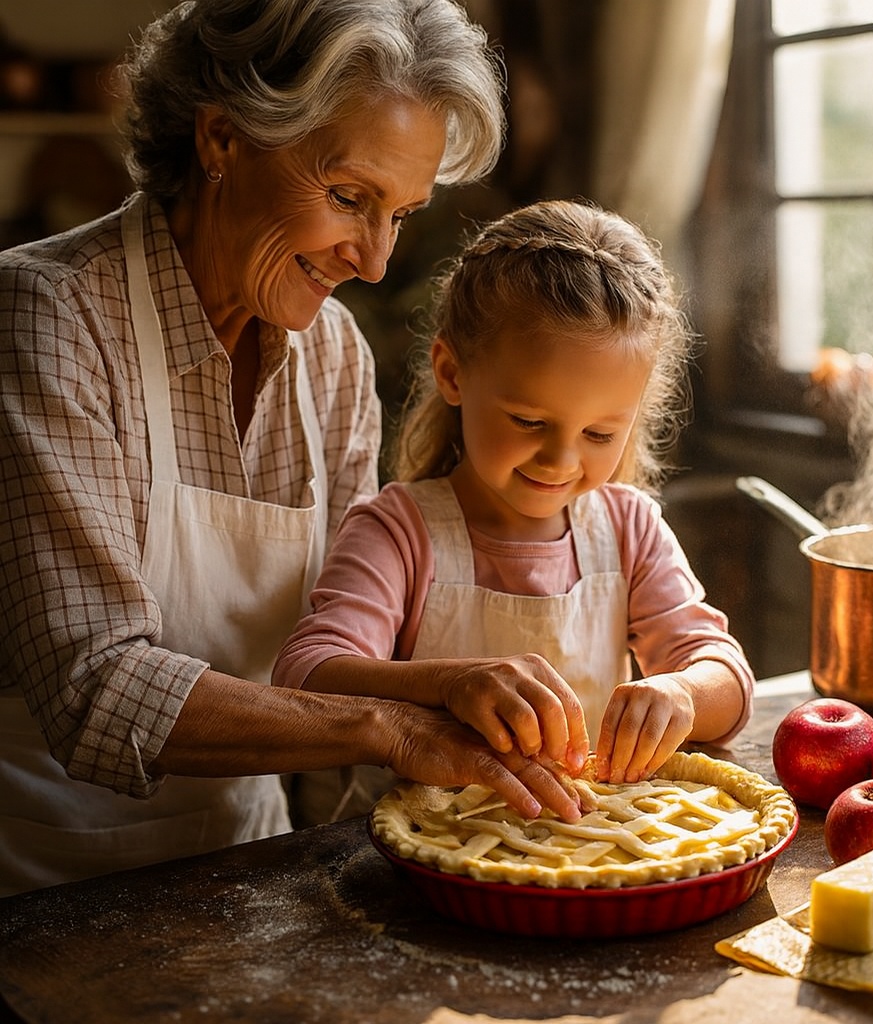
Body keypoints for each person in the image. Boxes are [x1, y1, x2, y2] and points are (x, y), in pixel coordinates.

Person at [0, 0, 583, 899]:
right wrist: (387, 725)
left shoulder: (334, 355)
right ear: (223, 140)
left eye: (403, 214)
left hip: (245, 863)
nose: (377, 260)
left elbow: (339, 640)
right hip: (46, 882)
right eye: (349, 198)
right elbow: (95, 686)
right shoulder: (49, 318)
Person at [273, 199, 755, 816]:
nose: (560, 458)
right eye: (529, 420)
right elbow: (306, 673)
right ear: (452, 373)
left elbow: (727, 678)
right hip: (415, 858)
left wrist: (682, 692)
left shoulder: (627, 528)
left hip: (588, 861)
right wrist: (449, 685)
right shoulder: (398, 532)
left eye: (601, 434)